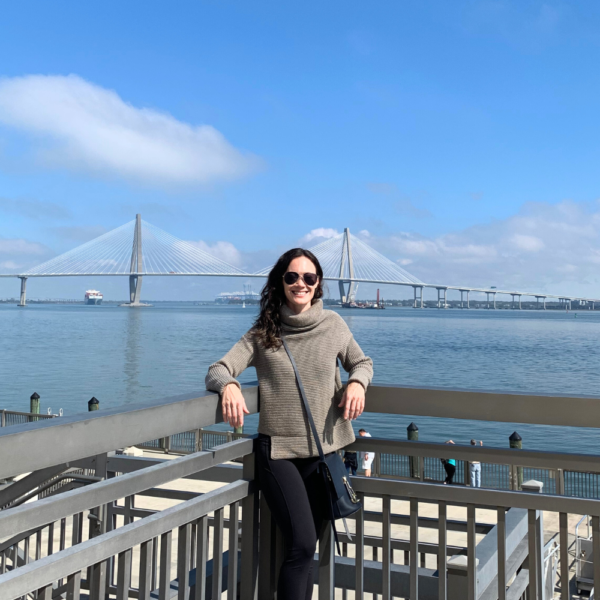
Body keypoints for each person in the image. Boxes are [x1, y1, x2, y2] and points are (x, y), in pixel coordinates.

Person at [205, 248, 373, 600]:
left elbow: (362, 362)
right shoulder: (263, 334)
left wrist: (357, 382)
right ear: (280, 283)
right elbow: (218, 369)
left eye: (309, 278)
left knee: (308, 549)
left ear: (318, 285)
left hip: (323, 455)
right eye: (292, 277)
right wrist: (230, 386)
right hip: (278, 453)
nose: (301, 284)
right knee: (301, 543)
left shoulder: (334, 325)